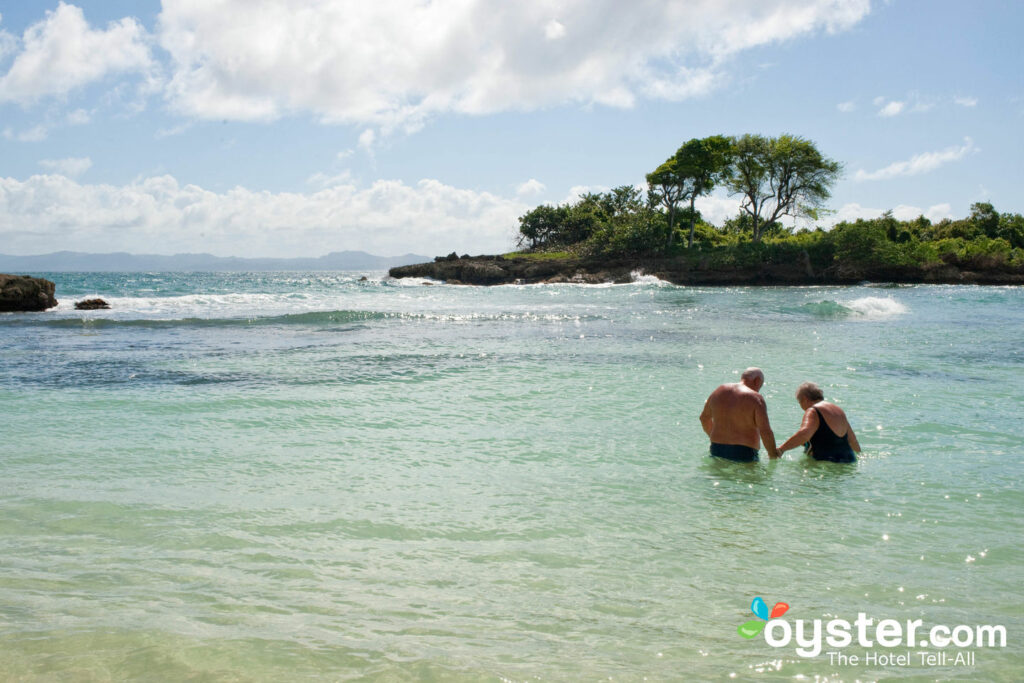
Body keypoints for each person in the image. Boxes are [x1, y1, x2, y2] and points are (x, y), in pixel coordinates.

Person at [699, 367, 779, 462]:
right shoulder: (756, 398)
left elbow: (704, 418)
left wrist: (714, 436)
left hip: (716, 449)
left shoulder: (718, 391)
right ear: (757, 381)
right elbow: (765, 431)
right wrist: (773, 455)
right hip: (744, 453)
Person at [778, 382, 860, 463]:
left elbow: (804, 433)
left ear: (805, 399)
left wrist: (781, 449)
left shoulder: (813, 411)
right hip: (849, 460)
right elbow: (853, 440)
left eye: (800, 402)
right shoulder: (839, 411)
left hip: (826, 462)